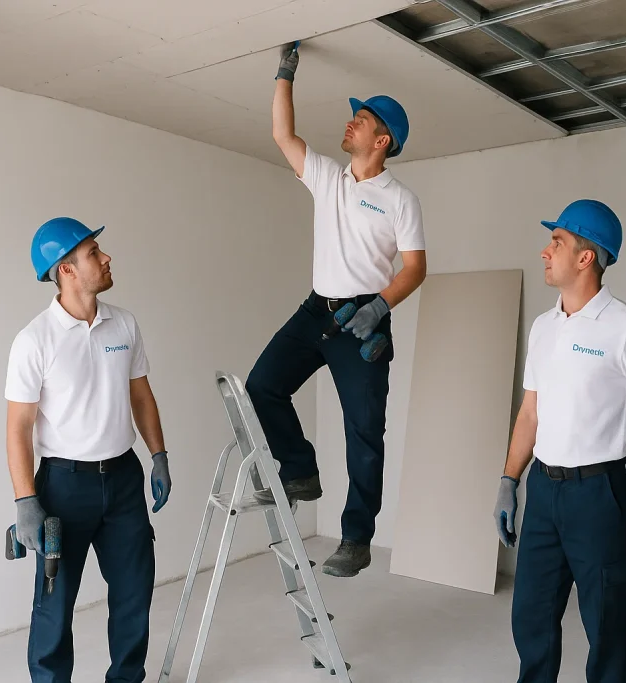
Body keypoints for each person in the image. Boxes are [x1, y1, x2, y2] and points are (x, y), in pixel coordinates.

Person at [245, 42, 427, 578]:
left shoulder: (401, 199)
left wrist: (379, 307)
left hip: (363, 320)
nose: (349, 124)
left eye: (360, 119)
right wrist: (284, 74)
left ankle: (356, 537)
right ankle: (300, 470)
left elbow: (415, 267)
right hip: (315, 311)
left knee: (364, 432)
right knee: (262, 386)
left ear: (382, 139)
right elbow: (282, 134)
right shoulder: (329, 178)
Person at [493, 200, 626, 683]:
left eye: (556, 242)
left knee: (607, 622)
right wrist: (509, 479)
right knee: (531, 617)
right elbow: (530, 412)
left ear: (585, 258)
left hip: (599, 495)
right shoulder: (543, 327)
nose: (544, 252)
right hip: (545, 494)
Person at [5, 217, 172, 683]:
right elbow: (18, 427)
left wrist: (158, 455)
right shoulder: (34, 341)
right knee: (54, 606)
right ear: (66, 270)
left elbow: (141, 393)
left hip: (123, 479)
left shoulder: (125, 323)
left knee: (133, 594)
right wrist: (26, 502)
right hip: (64, 487)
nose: (106, 258)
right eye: (94, 252)